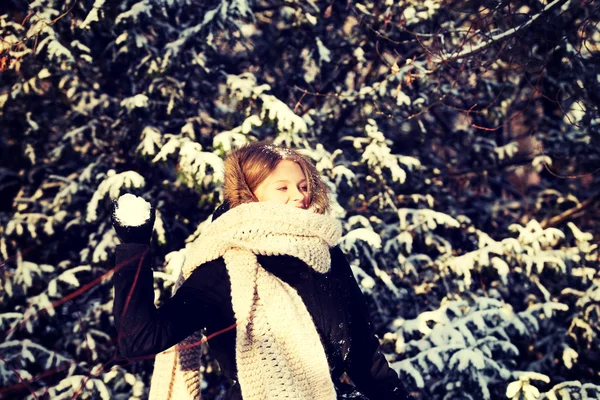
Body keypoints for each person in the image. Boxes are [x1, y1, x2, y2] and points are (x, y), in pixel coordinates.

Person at [111, 141, 414, 400]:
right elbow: (140, 341)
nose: (299, 196)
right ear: (248, 194)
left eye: (304, 186)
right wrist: (133, 247)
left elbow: (363, 358)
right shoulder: (224, 266)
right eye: (282, 187)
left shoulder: (326, 257)